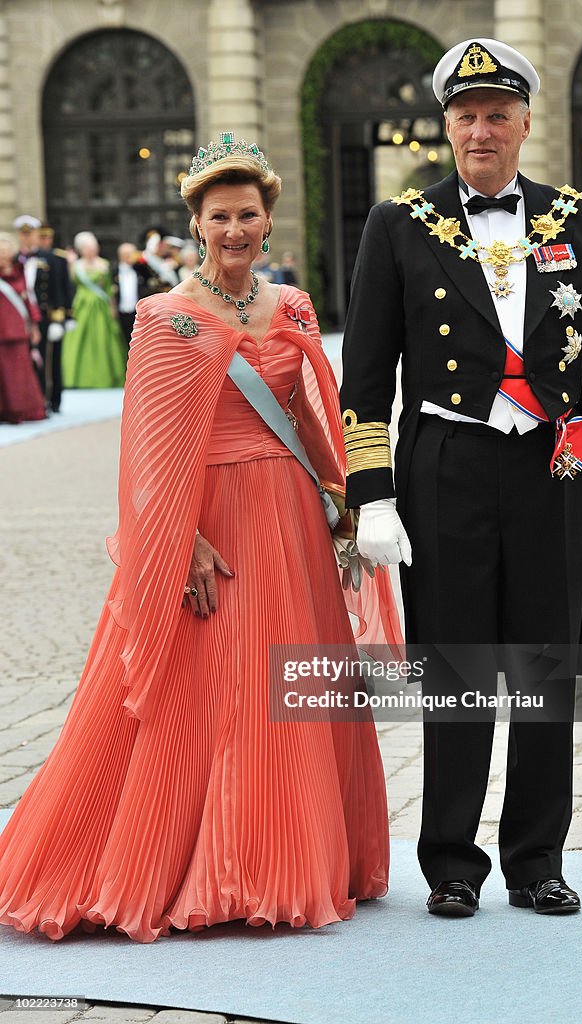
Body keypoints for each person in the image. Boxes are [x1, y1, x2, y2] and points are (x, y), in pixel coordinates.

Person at [0, 134, 401, 943]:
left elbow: (306, 417)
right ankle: (215, 864)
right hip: (206, 516)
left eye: (247, 214)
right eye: (218, 216)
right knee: (212, 694)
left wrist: (346, 496)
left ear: (267, 220)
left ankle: (298, 857)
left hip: (288, 516)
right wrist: (175, 538)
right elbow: (146, 446)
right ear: (196, 223)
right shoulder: (163, 316)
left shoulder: (289, 305)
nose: (234, 229)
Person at [340, 38, 582, 918]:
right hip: (447, 465)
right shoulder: (398, 223)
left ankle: (534, 859)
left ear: (524, 123)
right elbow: (364, 378)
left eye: (496, 115)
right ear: (445, 128)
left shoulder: (578, 219)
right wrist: (371, 495)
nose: (480, 130)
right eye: (465, 116)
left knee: (544, 665)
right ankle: (450, 859)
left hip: (555, 467)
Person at [13, 215, 72, 413]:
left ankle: (52, 399)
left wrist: (63, 317)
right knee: (26, 360)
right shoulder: (13, 260)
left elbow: (61, 288)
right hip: (22, 318)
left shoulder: (52, 259)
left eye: (31, 234)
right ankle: (33, 400)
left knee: (51, 360)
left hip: (47, 316)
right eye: (24, 234)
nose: (27, 238)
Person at [61, 231, 127, 388]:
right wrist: (69, 263)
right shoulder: (75, 265)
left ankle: (107, 377)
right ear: (81, 249)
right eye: (88, 248)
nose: (91, 251)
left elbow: (109, 290)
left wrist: (113, 309)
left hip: (101, 307)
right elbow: (70, 283)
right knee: (79, 340)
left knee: (104, 339)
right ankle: (77, 379)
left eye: (93, 247)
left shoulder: (103, 264)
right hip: (82, 306)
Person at [0, 232, 46, 423]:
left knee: (19, 374)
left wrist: (34, 326)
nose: (2, 255)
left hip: (18, 330)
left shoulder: (20, 272)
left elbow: (29, 301)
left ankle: (22, 410)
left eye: (5, 251)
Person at [112, 242, 155, 348]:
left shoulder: (140, 270)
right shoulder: (114, 271)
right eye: (126, 254)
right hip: (120, 312)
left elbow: (152, 278)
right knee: (122, 343)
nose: (129, 257)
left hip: (137, 312)